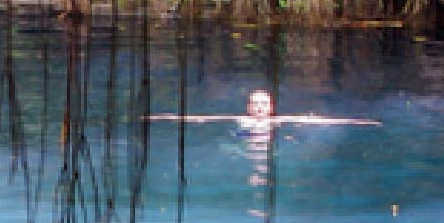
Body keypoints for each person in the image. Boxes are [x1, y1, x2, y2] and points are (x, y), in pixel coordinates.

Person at [151, 88, 379, 129]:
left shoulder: (278, 122)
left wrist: (360, 121)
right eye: (256, 104)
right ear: (248, 107)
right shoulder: (241, 120)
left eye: (264, 104)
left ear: (271, 108)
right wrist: (164, 117)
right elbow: (203, 118)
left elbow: (318, 122)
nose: (259, 108)